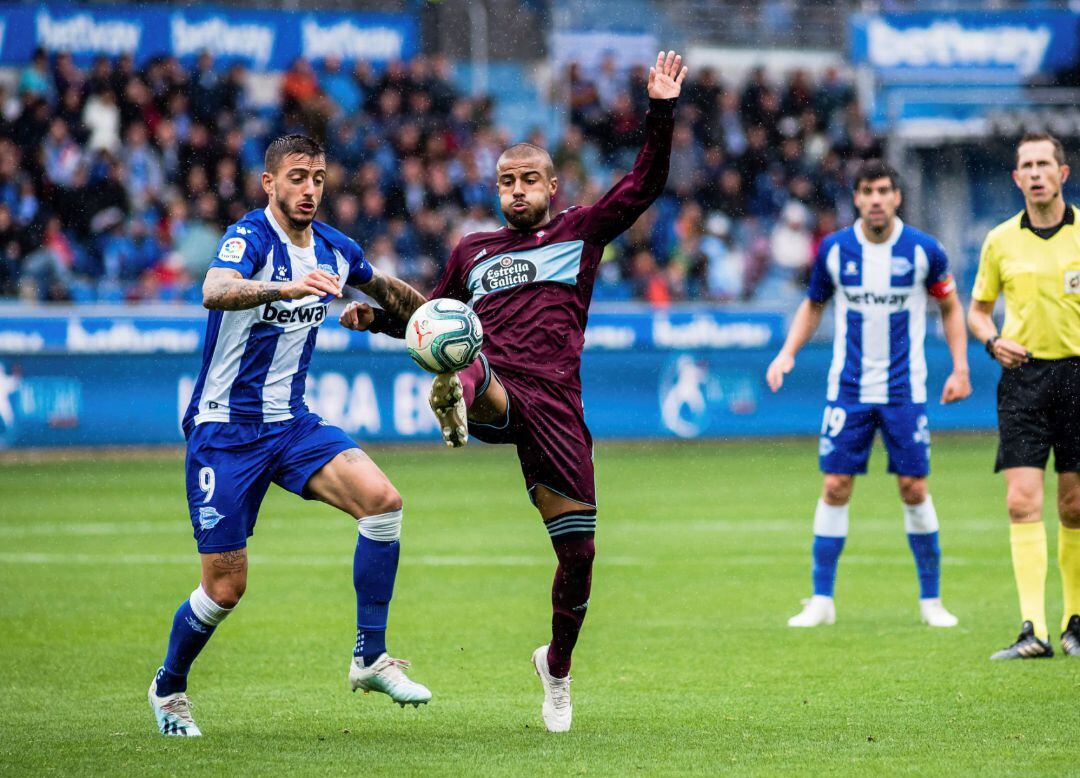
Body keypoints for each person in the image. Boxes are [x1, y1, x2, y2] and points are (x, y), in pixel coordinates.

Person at [340, 51, 688, 732]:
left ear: (553, 188)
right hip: (499, 386)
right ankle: (461, 395)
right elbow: (429, 319)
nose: (518, 189)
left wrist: (661, 108)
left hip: (559, 408)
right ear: (496, 190)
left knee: (579, 556)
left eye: (530, 179)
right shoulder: (473, 252)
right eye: (507, 181)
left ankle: (555, 667)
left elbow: (645, 184)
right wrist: (379, 320)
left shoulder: (579, 231)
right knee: (461, 344)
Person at [149, 134, 432, 737]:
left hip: (291, 422)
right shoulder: (250, 237)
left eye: (319, 178)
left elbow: (393, 295)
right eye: (297, 177)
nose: (309, 189)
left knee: (383, 504)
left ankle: (370, 658)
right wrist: (286, 288)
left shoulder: (335, 249)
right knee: (226, 588)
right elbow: (214, 290)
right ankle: (169, 687)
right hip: (224, 431)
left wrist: (418, 321)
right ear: (269, 184)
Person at [765, 159, 971, 628]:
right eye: (867, 191)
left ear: (897, 197)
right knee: (835, 486)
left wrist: (960, 367)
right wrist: (787, 353)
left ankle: (931, 601)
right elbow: (813, 306)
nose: (876, 199)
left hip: (904, 389)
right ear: (856, 198)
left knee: (913, 487)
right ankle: (821, 600)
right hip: (849, 389)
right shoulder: (835, 250)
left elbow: (951, 308)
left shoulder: (924, 251)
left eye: (883, 190)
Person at [967, 132, 1080, 660]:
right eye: (1026, 166)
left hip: (1077, 378)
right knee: (1021, 502)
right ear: (1016, 179)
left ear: (1063, 173)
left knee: (1074, 505)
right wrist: (991, 340)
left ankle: (1072, 621)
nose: (1035, 173)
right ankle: (1031, 629)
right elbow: (977, 308)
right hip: (1024, 381)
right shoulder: (999, 241)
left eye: (1044, 164)